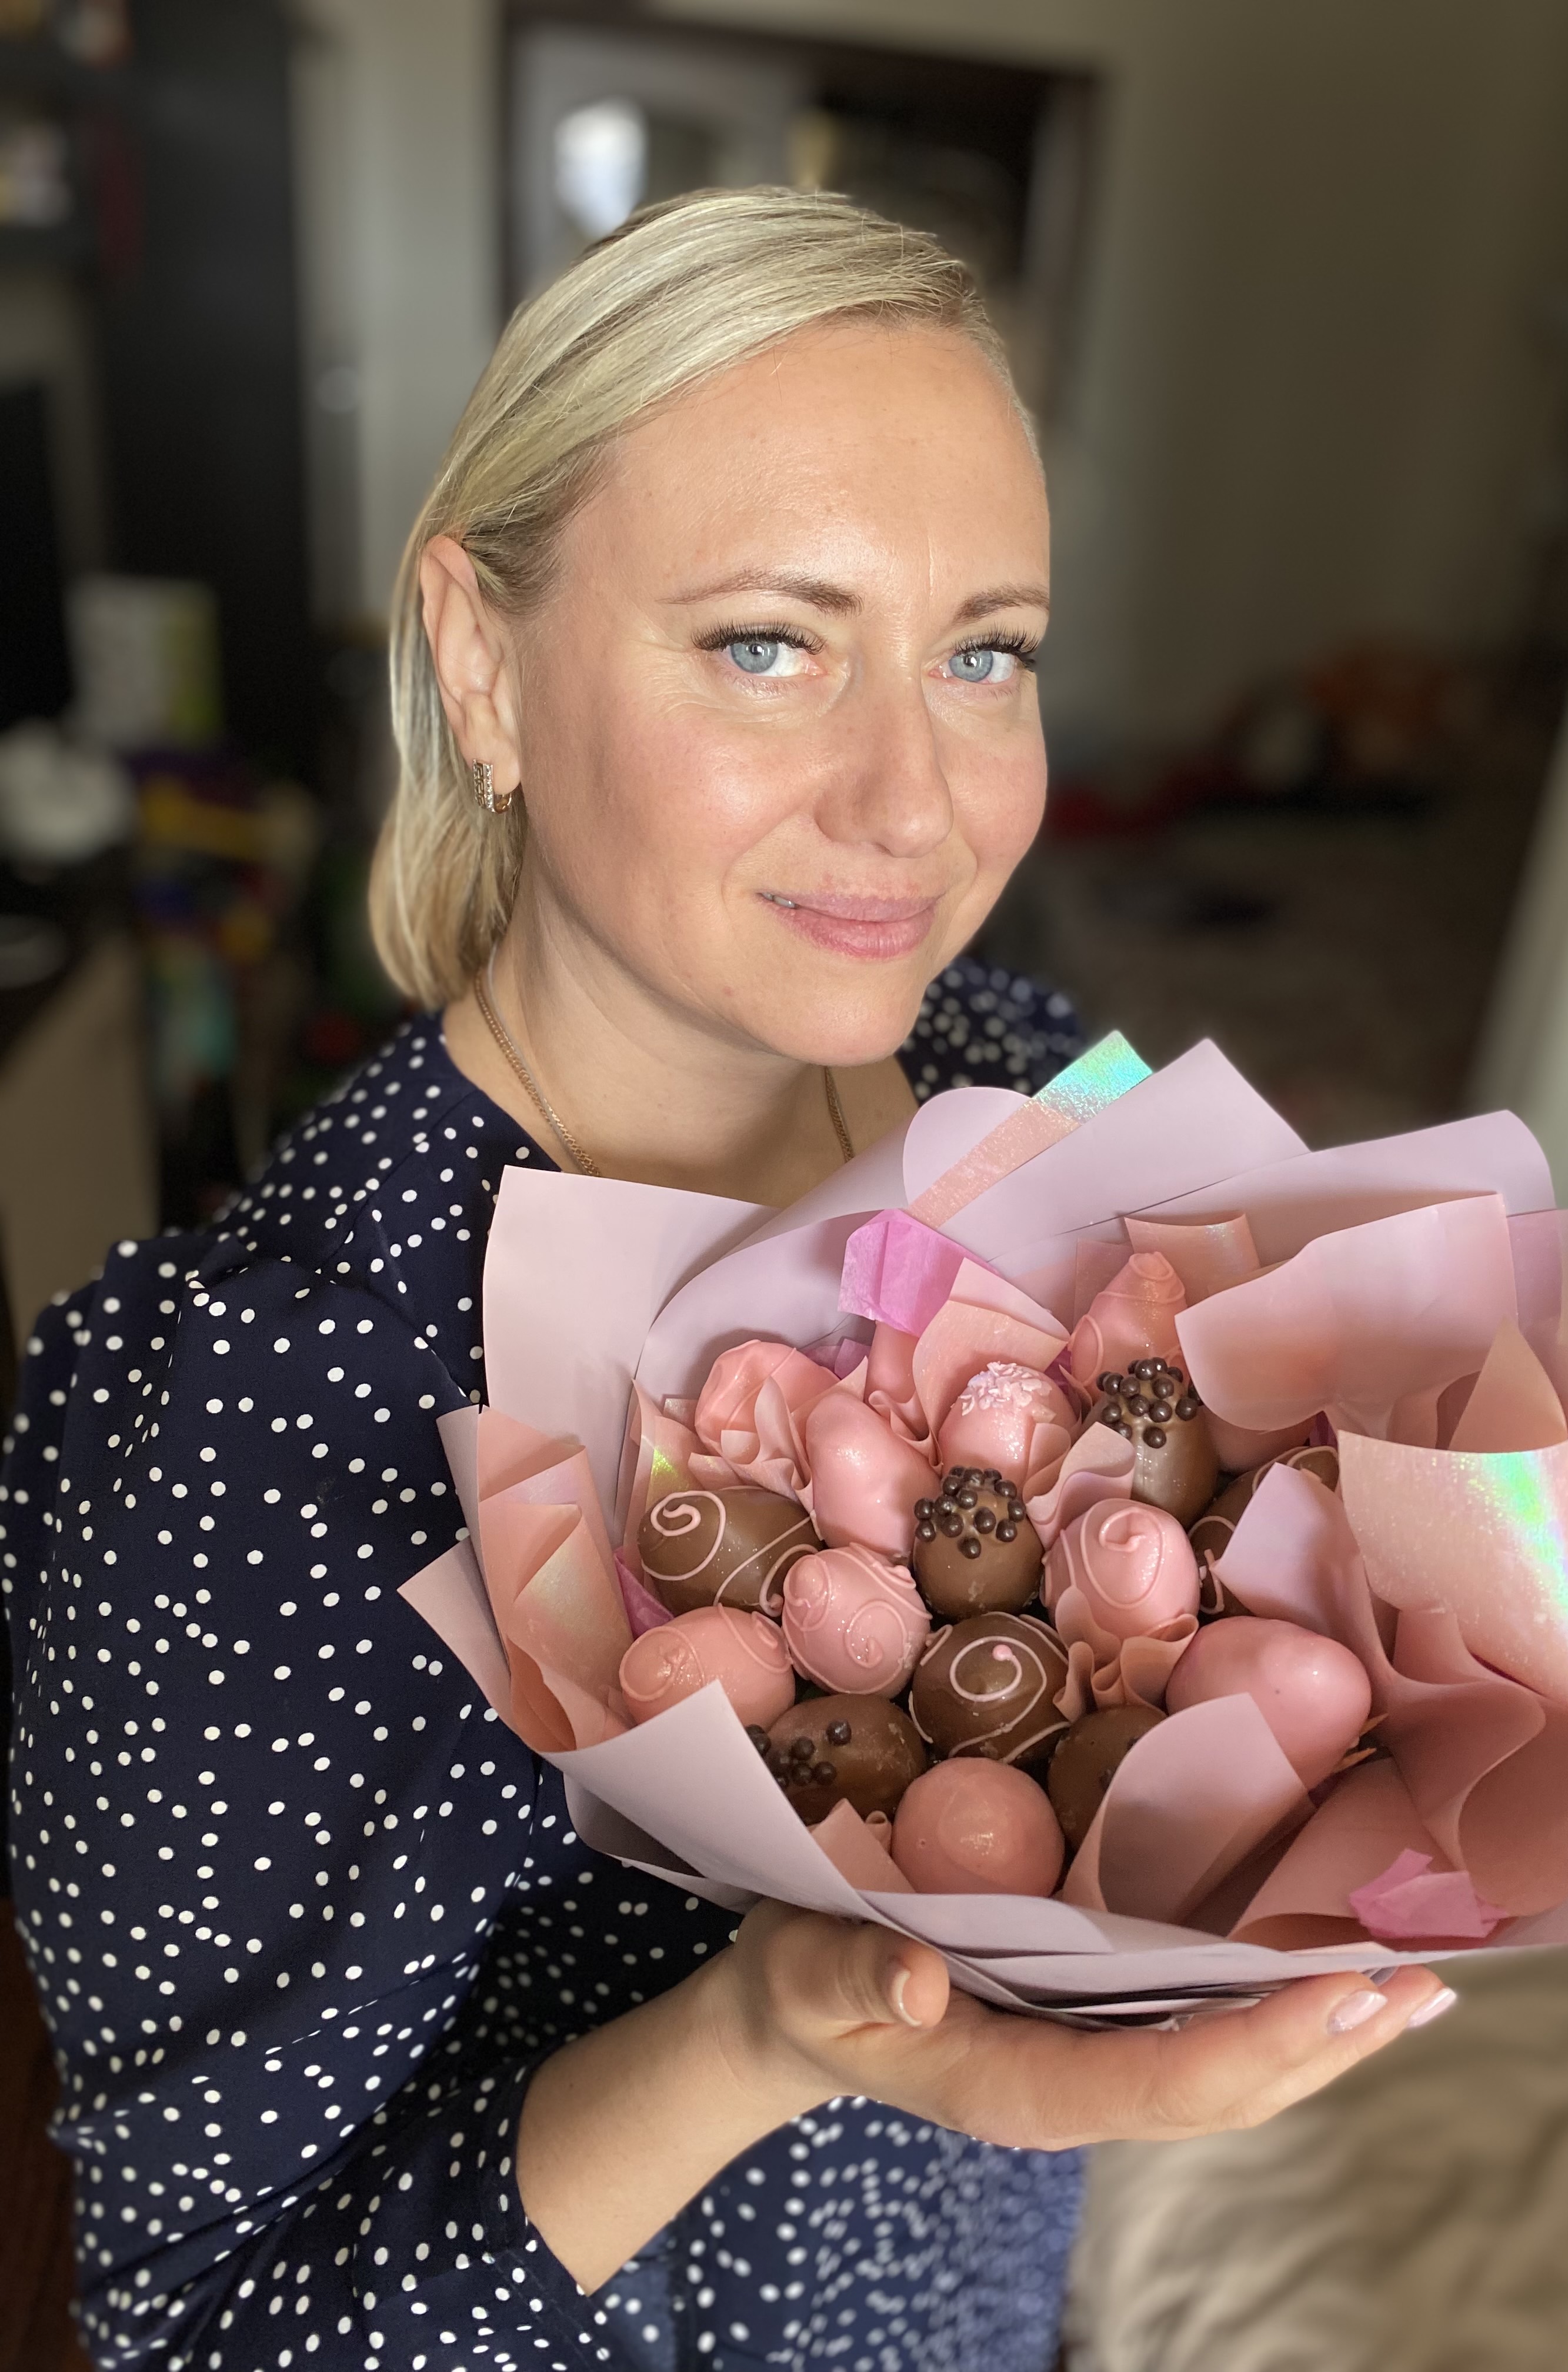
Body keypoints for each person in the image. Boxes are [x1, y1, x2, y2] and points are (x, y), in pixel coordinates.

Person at [1, 189, 1450, 2372]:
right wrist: (763, 2035)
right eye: (770, 642)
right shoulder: (255, 1432)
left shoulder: (1029, 1099)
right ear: (480, 662)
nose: (915, 805)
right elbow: (212, 2327)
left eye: (985, 652)